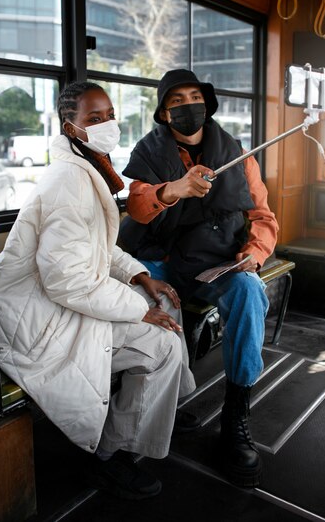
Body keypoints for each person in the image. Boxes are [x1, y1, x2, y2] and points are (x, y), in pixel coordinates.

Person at [0, 81, 196, 500]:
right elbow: (67, 279)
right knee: (161, 344)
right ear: (71, 128)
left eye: (110, 116)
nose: (107, 125)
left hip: (59, 301)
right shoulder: (69, 182)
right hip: (40, 320)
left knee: (164, 304)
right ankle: (107, 457)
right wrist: (138, 313)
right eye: (93, 119)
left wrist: (141, 277)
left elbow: (97, 250)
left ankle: (167, 397)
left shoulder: (86, 169)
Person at [119, 69, 279, 488]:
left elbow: (262, 218)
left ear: (206, 104)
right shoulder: (147, 153)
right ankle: (146, 412)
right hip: (163, 259)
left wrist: (252, 255)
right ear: (163, 113)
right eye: (176, 101)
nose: (187, 106)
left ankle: (235, 414)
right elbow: (136, 205)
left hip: (216, 261)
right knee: (141, 300)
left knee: (249, 290)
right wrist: (174, 190)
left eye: (194, 97)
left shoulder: (239, 155)